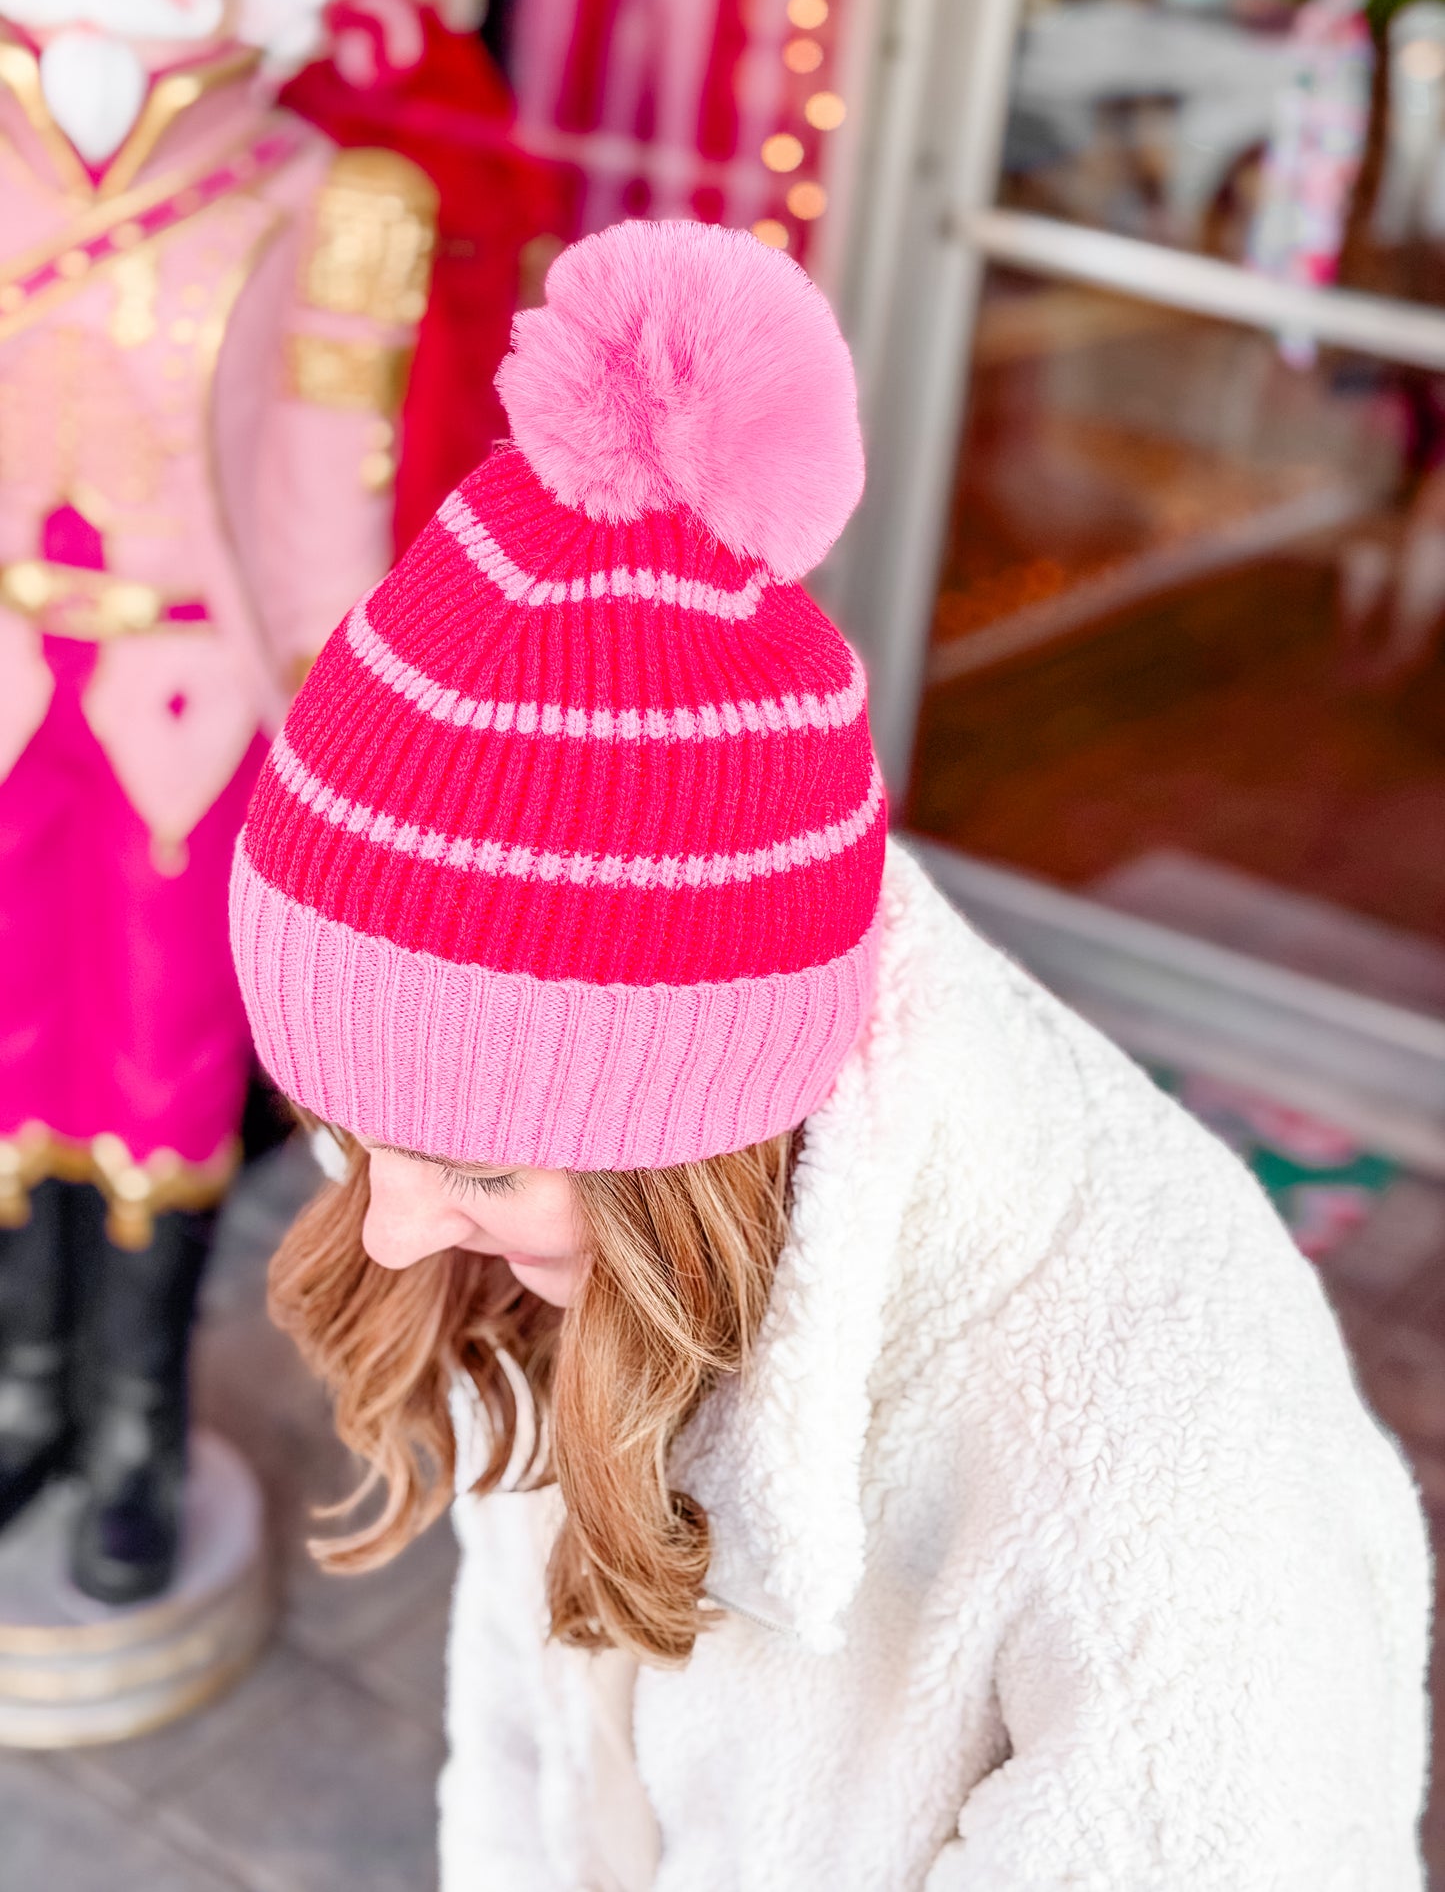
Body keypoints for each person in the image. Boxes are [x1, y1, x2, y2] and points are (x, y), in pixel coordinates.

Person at [229, 217, 1431, 1888]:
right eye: (345, 1129)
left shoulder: (1160, 1471)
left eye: (479, 1161)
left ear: (695, 1125)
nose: (386, 1224)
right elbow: (527, 1738)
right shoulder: (577, 1227)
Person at [0, 0, 435, 1599]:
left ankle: (132, 1428)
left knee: (163, 1062)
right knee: (5, 1045)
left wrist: (359, 745)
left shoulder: (327, 201)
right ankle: (23, 1386)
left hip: (185, 713)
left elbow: (329, 512)